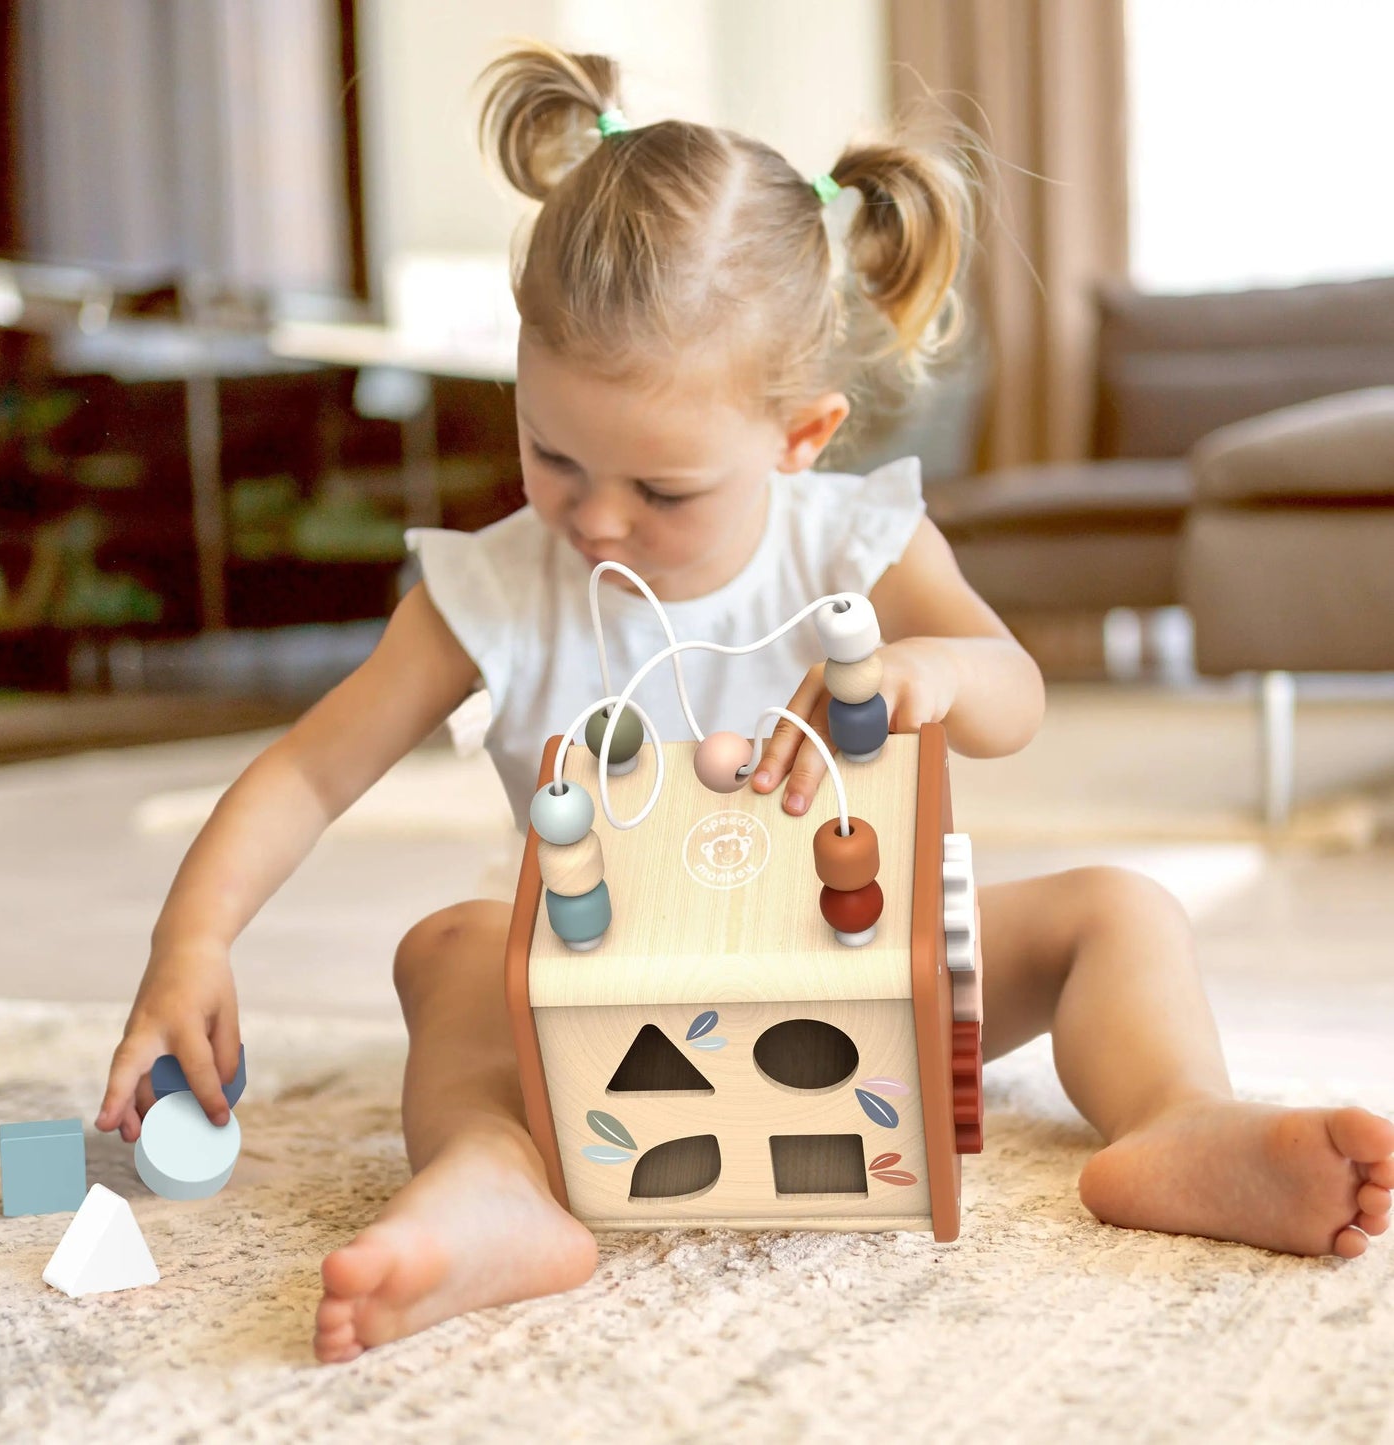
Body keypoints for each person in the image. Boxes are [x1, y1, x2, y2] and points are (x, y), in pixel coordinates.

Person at [95, 42, 1393, 1366]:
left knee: (1122, 909)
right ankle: (494, 1173)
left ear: (802, 436)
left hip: (867, 967)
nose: (596, 517)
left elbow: (1011, 695)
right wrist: (189, 943)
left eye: (660, 490)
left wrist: (926, 670)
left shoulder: (856, 545)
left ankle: (1173, 1119)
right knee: (446, 947)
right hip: (598, 1010)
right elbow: (309, 772)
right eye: (551, 453)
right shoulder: (487, 587)